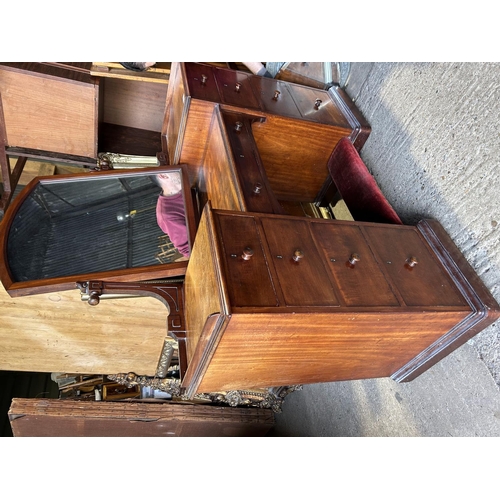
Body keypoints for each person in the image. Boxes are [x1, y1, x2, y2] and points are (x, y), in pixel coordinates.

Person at [154, 172, 190, 258]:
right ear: (163, 175)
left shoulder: (185, 186)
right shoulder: (168, 216)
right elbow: (189, 250)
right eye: (175, 169)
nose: (181, 168)